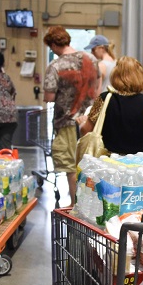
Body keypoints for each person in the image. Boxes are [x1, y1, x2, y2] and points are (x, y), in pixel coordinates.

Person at [43, 26, 100, 207]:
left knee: (71, 166)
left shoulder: (55, 66)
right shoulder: (91, 59)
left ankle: (77, 206)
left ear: (53, 44)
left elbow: (49, 96)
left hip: (67, 121)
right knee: (90, 163)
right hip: (91, 119)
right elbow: (97, 88)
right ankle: (92, 204)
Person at [80, 56, 143, 155]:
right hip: (139, 162)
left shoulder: (104, 99)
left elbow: (86, 131)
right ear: (141, 77)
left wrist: (82, 122)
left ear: (115, 75)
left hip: (110, 161)